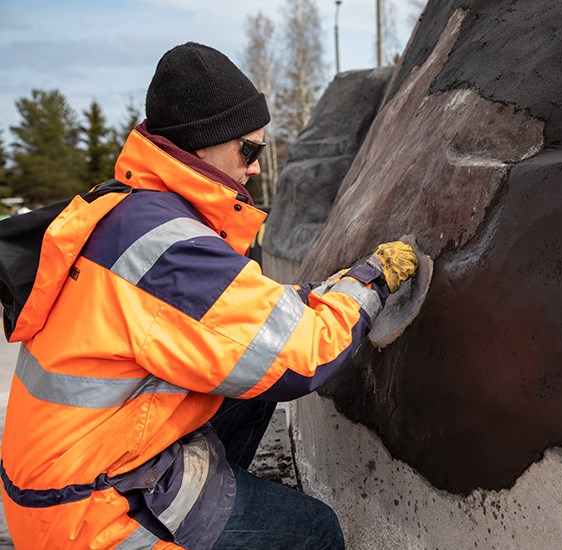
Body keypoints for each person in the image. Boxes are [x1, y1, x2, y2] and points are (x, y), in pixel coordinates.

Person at [0, 42, 417, 549]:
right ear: (202, 145)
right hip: (88, 515)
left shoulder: (132, 212)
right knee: (313, 531)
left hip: (60, 478)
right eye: (250, 150)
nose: (257, 168)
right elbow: (301, 357)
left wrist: (315, 295)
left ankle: (217, 512)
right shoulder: (168, 246)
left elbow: (241, 322)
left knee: (251, 390)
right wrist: (369, 282)